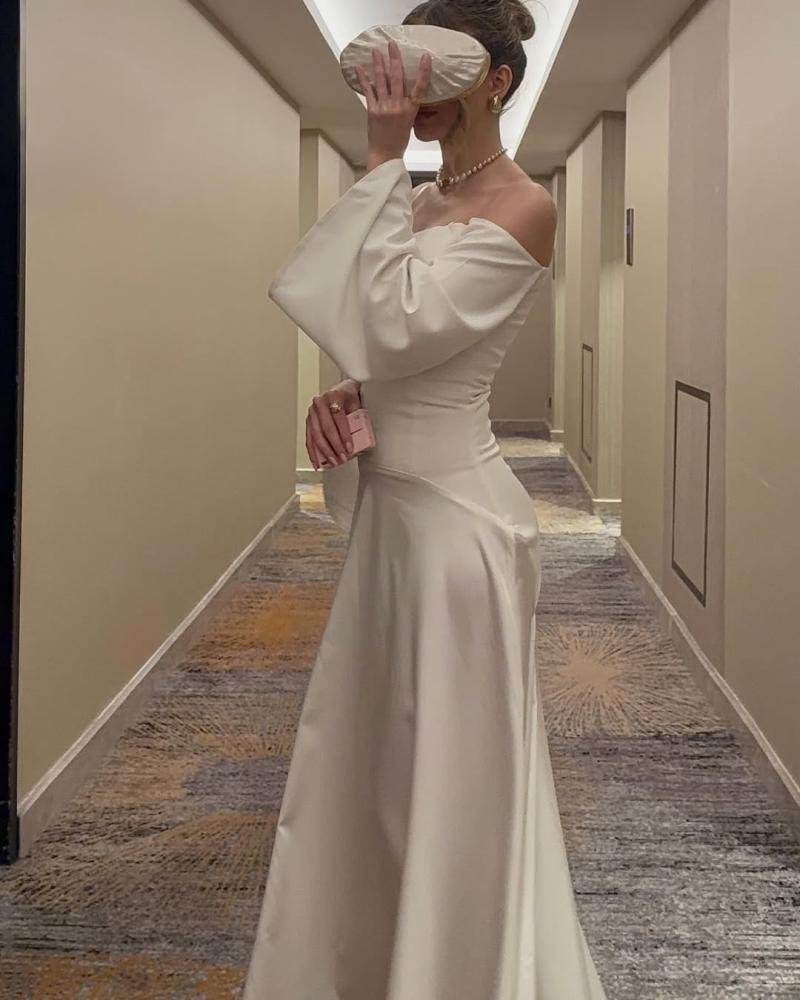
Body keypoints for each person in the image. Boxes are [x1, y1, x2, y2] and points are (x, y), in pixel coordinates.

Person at [242, 1, 607, 997]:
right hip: (393, 519)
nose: (414, 92)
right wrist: (348, 393)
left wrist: (377, 156)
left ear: (495, 80)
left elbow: (400, 325)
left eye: (437, 70)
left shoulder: (524, 205)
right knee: (368, 763)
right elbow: (382, 345)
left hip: (458, 530)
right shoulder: (416, 200)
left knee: (448, 774)